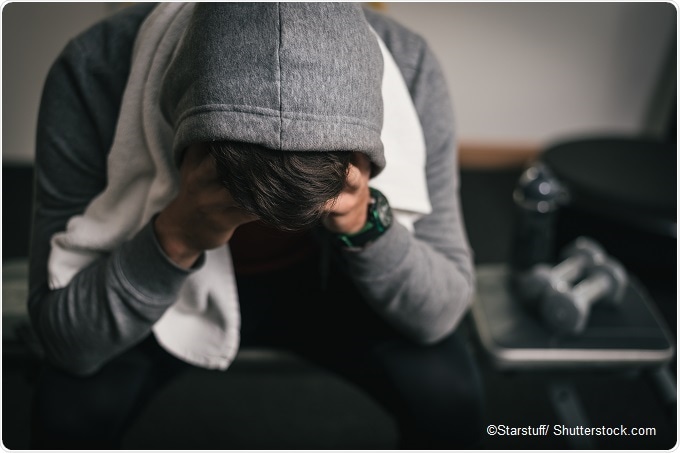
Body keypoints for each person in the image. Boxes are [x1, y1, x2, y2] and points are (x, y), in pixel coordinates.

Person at [28, 3, 483, 449]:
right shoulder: (95, 67)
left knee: (452, 398)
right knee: (66, 414)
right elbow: (64, 339)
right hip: (163, 286)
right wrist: (177, 235)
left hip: (333, 283)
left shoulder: (409, 63)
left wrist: (364, 223)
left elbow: (440, 313)